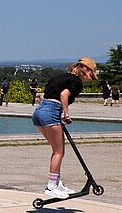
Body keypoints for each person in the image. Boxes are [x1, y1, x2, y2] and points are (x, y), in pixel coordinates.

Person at [31, 57, 99, 199]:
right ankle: (51, 187)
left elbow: (43, 96)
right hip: (51, 112)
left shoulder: (60, 77)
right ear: (85, 70)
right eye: (90, 73)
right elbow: (64, 95)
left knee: (56, 150)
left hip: (39, 112)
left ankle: (56, 183)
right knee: (59, 152)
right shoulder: (76, 82)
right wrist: (66, 114)